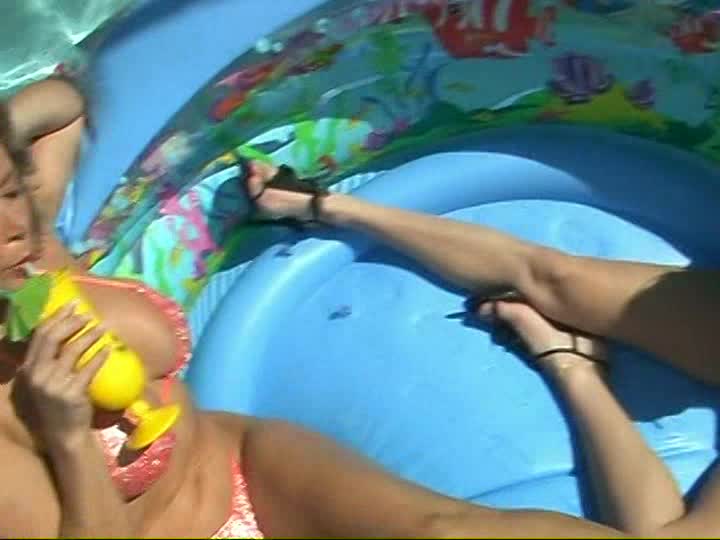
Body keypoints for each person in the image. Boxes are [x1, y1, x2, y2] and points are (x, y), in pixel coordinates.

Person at [0, 76, 707, 539]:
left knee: (448, 531)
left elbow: (62, 108)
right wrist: (68, 438)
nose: (12, 224)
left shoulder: (30, 250)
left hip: (245, 463)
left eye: (7, 189)